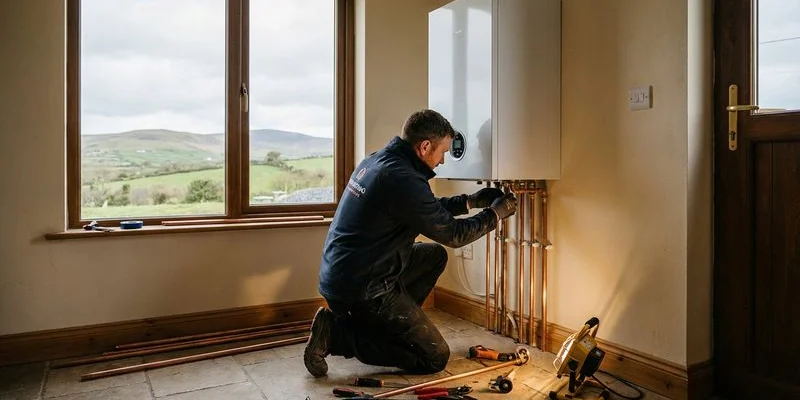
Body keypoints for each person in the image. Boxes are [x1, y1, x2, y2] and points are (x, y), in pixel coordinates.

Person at [303, 109, 517, 378]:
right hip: (363, 289)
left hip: (347, 274)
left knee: (433, 256)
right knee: (433, 357)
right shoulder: (403, 179)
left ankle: (386, 328)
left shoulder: (379, 161)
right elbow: (454, 234)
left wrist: (470, 201)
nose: (442, 161)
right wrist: (495, 213)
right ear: (425, 146)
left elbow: (423, 209)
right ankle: (336, 336)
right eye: (443, 152)